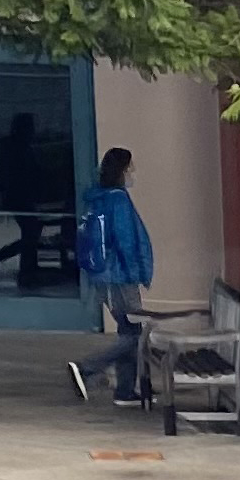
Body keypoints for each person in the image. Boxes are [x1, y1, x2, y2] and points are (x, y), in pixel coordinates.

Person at [67, 147, 154, 406]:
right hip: (120, 276)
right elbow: (126, 240)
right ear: (122, 170)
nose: (134, 172)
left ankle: (125, 391)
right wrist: (138, 272)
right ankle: (86, 368)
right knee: (135, 335)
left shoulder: (99, 198)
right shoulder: (118, 200)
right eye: (131, 168)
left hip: (104, 276)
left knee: (129, 330)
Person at [0, 114, 49, 290]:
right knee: (31, 233)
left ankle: (11, 263)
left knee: (31, 233)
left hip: (21, 195)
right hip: (17, 196)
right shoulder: (14, 147)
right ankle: (25, 272)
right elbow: (9, 173)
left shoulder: (20, 146)